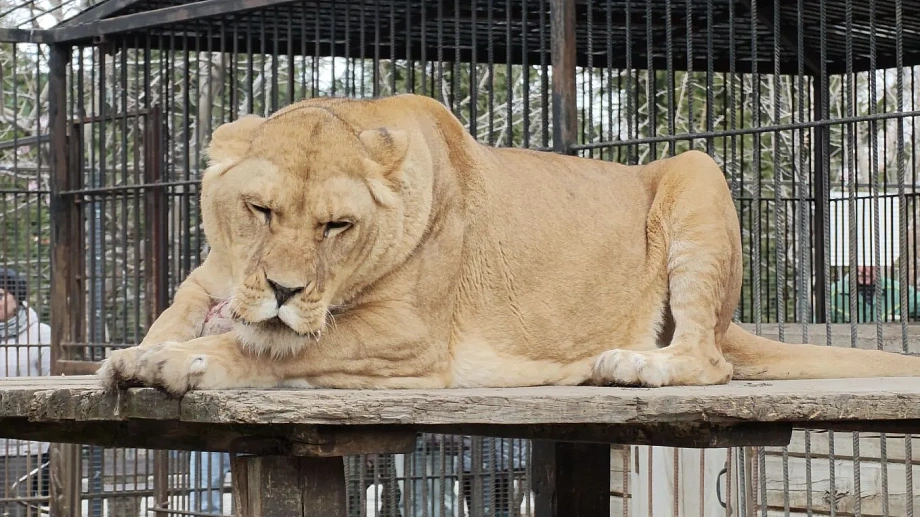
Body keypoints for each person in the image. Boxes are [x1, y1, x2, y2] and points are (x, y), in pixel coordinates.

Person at [0, 268, 52, 517]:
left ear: (17, 297)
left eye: (0, 295)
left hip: (23, 444)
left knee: (18, 507)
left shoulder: (39, 333)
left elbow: (52, 382)